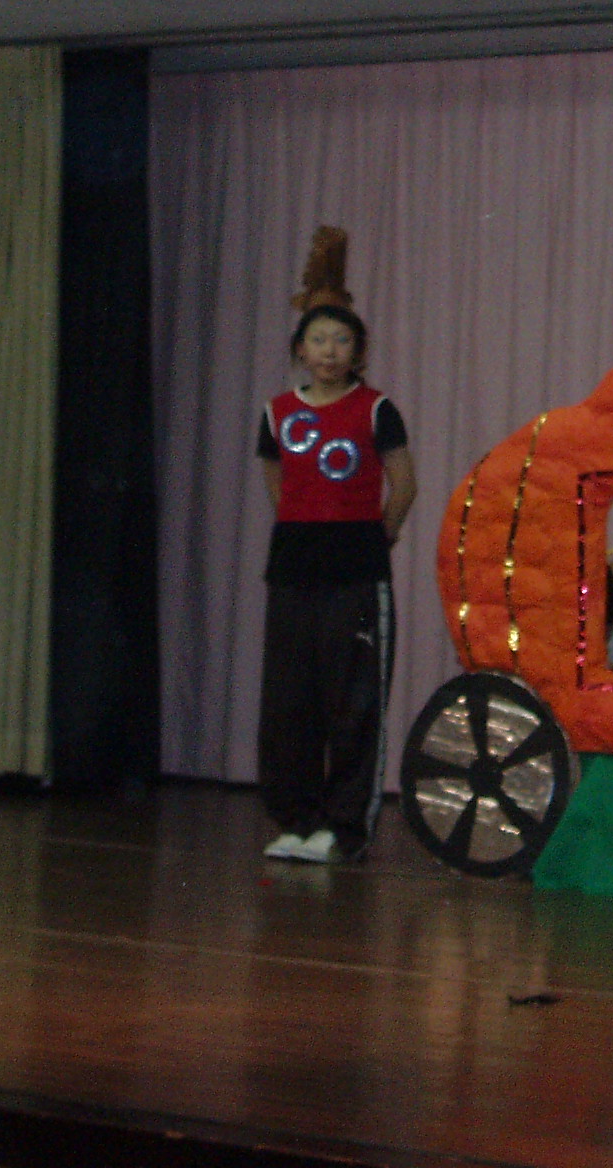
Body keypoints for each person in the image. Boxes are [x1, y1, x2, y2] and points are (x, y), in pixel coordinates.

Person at [255, 298, 416, 863]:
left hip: (356, 571)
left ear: (358, 352)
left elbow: (404, 485)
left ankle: (344, 828)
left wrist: (376, 539)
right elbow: (277, 483)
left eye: (342, 340)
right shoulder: (277, 412)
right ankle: (295, 821)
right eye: (318, 340)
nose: (329, 351)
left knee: (353, 699)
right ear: (301, 350)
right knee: (289, 700)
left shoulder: (377, 409)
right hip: (293, 567)